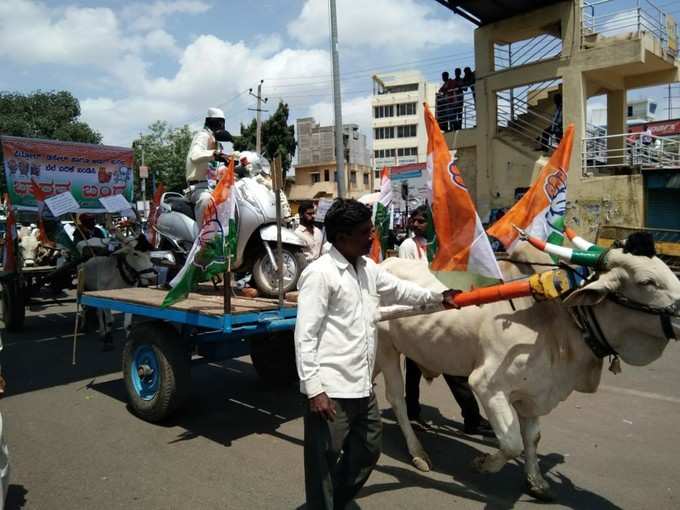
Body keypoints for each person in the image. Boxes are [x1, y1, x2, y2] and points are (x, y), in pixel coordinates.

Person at [295, 198, 460, 509]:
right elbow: (304, 336)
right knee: (323, 464)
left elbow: (401, 290)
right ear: (342, 237)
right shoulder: (321, 274)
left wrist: (439, 297)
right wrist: (314, 389)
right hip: (330, 390)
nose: (372, 236)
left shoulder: (367, 267)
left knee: (369, 449)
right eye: (364, 232)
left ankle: (335, 502)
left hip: (361, 385)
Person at [398, 206, 494, 437]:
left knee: (451, 367)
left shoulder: (436, 246)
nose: (418, 224)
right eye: (416, 220)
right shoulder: (408, 247)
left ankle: (471, 418)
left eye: (423, 221)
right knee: (414, 369)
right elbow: (408, 278)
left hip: (439, 309)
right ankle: (413, 413)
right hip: (418, 312)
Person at [185, 107, 234, 225]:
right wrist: (214, 154)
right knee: (207, 200)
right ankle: (202, 238)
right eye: (220, 122)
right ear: (212, 122)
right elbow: (194, 155)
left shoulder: (215, 141)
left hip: (214, 187)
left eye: (223, 123)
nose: (222, 126)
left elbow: (216, 168)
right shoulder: (203, 136)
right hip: (199, 188)